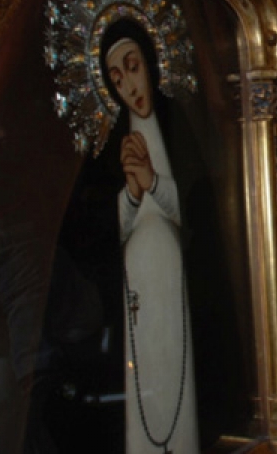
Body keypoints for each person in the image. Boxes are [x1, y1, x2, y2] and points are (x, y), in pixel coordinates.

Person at [100, 22, 199, 453]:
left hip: (175, 283)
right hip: (134, 292)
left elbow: (199, 214)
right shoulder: (108, 146)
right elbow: (102, 233)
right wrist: (132, 192)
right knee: (143, 378)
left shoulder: (178, 127)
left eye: (133, 67)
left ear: (152, 64)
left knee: (176, 374)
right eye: (116, 78)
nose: (129, 86)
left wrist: (154, 182)